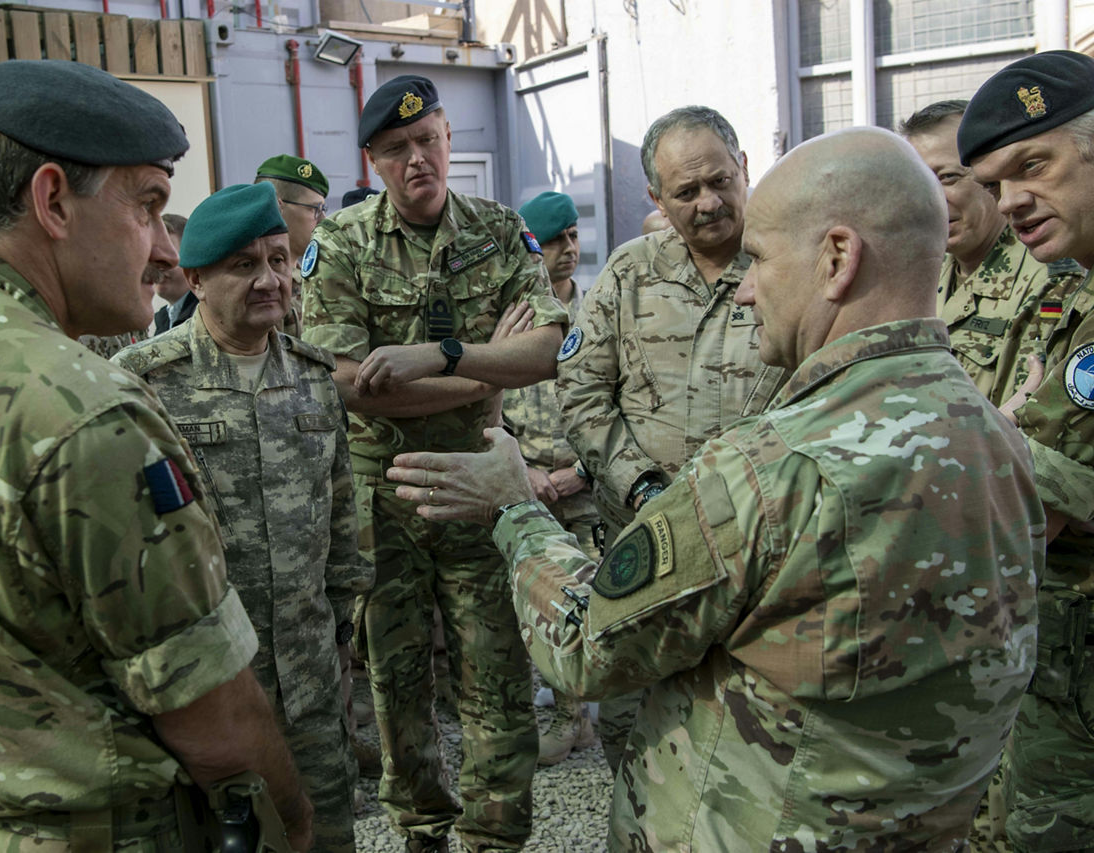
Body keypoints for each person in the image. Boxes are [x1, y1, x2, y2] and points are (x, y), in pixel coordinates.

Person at [386, 127, 1044, 851]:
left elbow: (583, 642)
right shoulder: (997, 436)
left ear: (836, 258)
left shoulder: (772, 470)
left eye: (759, 261)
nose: (749, 289)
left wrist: (512, 505)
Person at [0, 59, 313, 851]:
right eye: (147, 206)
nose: (164, 253)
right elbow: (216, 721)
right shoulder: (85, 408)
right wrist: (300, 826)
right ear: (51, 201)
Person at [300, 74, 568, 853]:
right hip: (385, 503)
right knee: (398, 686)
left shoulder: (500, 230)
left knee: (497, 682)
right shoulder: (343, 244)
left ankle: (494, 837)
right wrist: (489, 371)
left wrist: (439, 355)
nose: (416, 159)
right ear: (374, 162)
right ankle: (422, 831)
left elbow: (550, 348)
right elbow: (351, 386)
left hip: (481, 495)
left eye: (428, 140)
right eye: (395, 150)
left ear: (450, 138)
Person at [113, 182, 372, 853]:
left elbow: (342, 519)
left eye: (280, 260)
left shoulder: (315, 377)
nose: (270, 280)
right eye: (244, 265)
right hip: (209, 689)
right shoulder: (142, 381)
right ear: (194, 278)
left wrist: (343, 634)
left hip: (313, 677)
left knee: (325, 833)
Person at [555, 106, 785, 771]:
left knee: (751, 750)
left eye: (720, 180)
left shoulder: (789, 263)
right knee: (636, 742)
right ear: (656, 198)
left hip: (759, 564)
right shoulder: (628, 277)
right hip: (645, 560)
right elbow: (583, 395)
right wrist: (644, 486)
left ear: (744, 169)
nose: (709, 203)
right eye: (686, 192)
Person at [958, 49, 1094, 852]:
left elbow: (1008, 451)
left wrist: (986, 442)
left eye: (1031, 165)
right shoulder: (1061, 289)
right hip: (1051, 684)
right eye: (993, 184)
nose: (1010, 201)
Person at [900, 100, 1085, 406]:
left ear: (992, 179)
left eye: (948, 178)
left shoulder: (1055, 280)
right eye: (916, 182)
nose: (929, 199)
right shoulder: (914, 277)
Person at [502, 191, 598, 766]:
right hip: (524, 485)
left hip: (584, 489)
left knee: (580, 603)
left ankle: (574, 719)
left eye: (572, 236)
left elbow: (624, 405)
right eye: (553, 241)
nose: (568, 250)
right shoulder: (513, 322)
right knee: (524, 604)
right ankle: (539, 714)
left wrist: (577, 474)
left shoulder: (600, 317)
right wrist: (528, 470)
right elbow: (489, 404)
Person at [255, 154, 328, 337]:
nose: (323, 220)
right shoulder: (263, 284)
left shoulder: (308, 274)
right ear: (277, 206)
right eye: (315, 209)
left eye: (323, 210)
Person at [151, 212, 193, 334]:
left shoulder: (206, 315)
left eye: (167, 252)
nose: (158, 265)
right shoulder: (162, 319)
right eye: (151, 253)